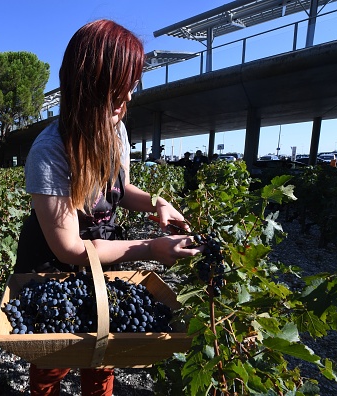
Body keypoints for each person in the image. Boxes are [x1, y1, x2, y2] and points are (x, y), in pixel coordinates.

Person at [14, 19, 203, 396]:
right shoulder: (49, 152)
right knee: (56, 357)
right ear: (91, 88)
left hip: (105, 256)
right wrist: (148, 248)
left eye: (131, 87)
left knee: (104, 355)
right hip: (56, 270)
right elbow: (70, 248)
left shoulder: (116, 130)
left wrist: (156, 202)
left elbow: (120, 189)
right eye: (121, 89)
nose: (129, 98)